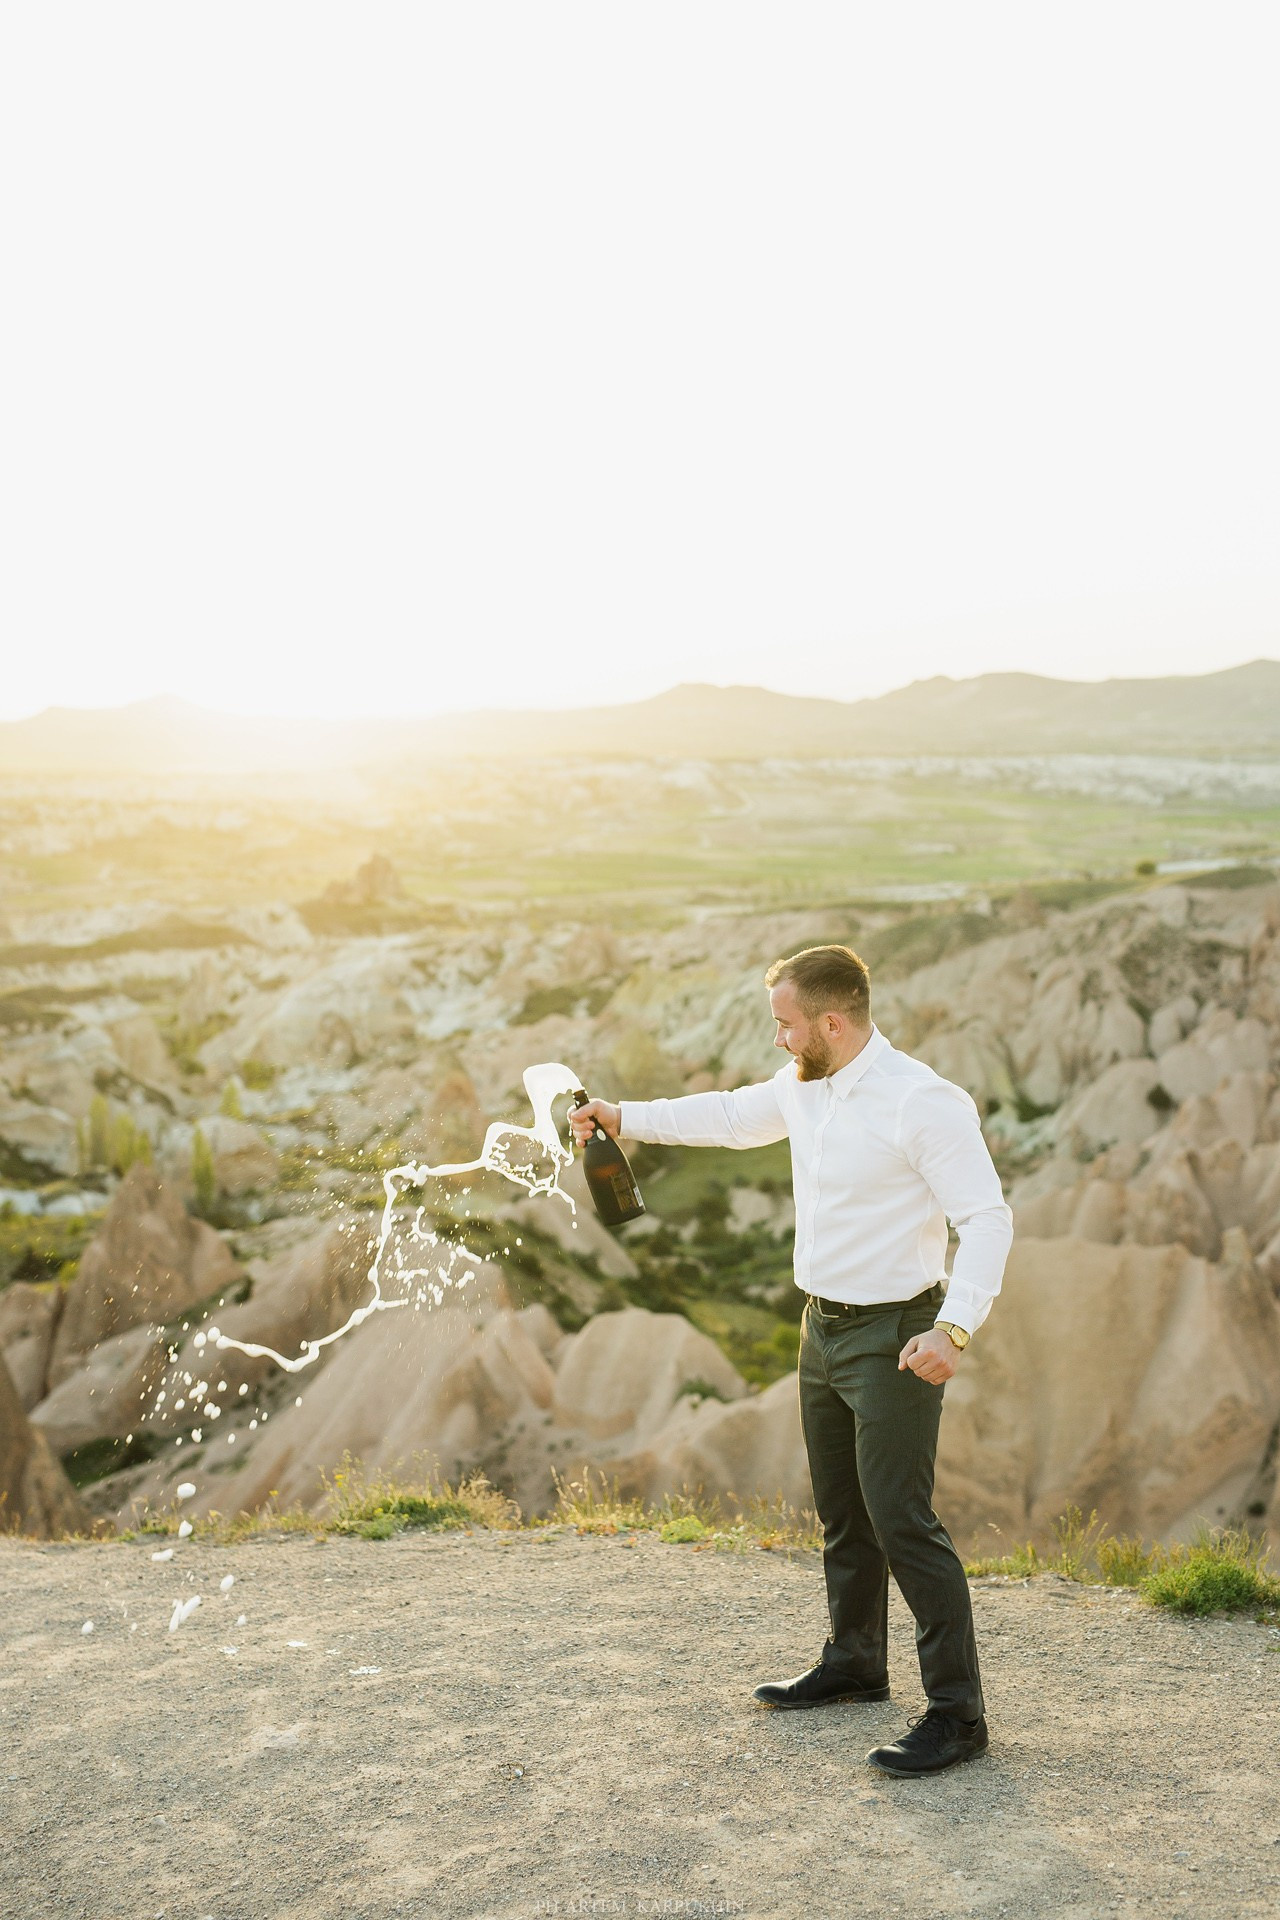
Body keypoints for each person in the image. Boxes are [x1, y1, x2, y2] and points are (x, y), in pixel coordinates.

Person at [569, 943, 1013, 1777]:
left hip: (897, 1336)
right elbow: (732, 1118)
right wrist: (623, 1115)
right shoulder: (805, 1085)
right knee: (844, 1511)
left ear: (831, 1023)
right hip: (822, 1328)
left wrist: (953, 1332)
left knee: (903, 1522)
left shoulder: (923, 1102)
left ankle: (958, 1716)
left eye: (785, 1024)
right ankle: (855, 1664)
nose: (777, 1040)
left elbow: (987, 1221)